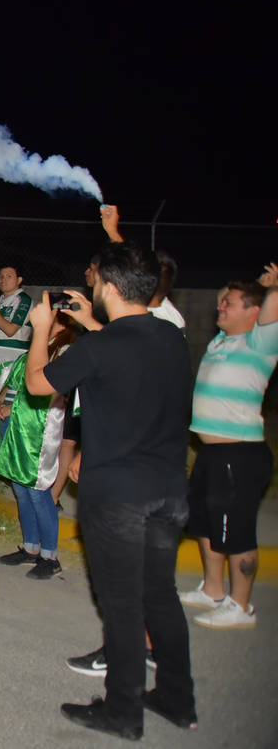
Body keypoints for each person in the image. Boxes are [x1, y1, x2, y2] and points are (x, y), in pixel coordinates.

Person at [25, 242, 196, 739]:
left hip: (118, 494)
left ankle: (122, 710)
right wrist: (90, 323)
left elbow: (37, 384)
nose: (92, 286)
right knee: (160, 595)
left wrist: (43, 329)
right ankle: (177, 698)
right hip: (168, 489)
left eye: (97, 280)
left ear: (111, 288)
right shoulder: (170, 335)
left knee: (121, 603)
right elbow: (125, 350)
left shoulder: (98, 347)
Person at [179, 265, 278, 629]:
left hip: (241, 453)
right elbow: (229, 293)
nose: (220, 306)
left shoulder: (261, 343)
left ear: (254, 312)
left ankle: (241, 605)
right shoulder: (221, 341)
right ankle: (213, 590)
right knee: (206, 523)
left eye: (229, 303)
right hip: (211, 453)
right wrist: (245, 289)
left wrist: (273, 288)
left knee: (237, 531)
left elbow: (271, 309)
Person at [0, 312, 79, 579]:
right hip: (16, 423)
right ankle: (31, 548)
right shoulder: (40, 343)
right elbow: (17, 379)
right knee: (20, 486)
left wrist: (12, 407)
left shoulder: (66, 350)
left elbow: (49, 389)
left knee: (38, 490)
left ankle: (50, 556)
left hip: (39, 427)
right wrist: (0, 400)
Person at [0, 264, 32, 349]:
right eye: (1, 276)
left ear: (19, 280)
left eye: (9, 276)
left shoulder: (23, 299)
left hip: (15, 351)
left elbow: (10, 331)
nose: (3, 280)